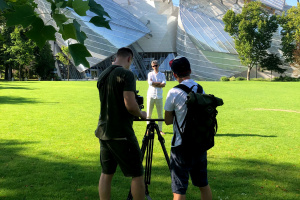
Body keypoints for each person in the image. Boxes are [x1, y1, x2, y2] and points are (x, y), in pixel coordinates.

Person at [95, 47, 146, 200]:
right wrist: (141, 114)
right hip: (121, 132)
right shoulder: (127, 74)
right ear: (129, 59)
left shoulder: (103, 75)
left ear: (116, 57)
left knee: (106, 173)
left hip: (103, 131)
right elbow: (130, 104)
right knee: (137, 173)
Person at [164, 56, 212, 200]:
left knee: (179, 190)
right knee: (203, 185)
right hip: (199, 142)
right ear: (190, 70)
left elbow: (167, 121)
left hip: (181, 145)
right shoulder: (200, 89)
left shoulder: (173, 92)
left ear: (174, 74)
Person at [147, 60, 166, 134]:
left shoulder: (162, 74)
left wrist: (154, 83)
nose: (155, 67)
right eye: (153, 66)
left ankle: (160, 130)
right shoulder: (150, 74)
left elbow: (164, 84)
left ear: (158, 65)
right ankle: (148, 130)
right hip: (151, 95)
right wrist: (159, 83)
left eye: (156, 65)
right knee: (149, 114)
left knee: (160, 114)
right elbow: (150, 83)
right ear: (152, 67)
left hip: (159, 96)